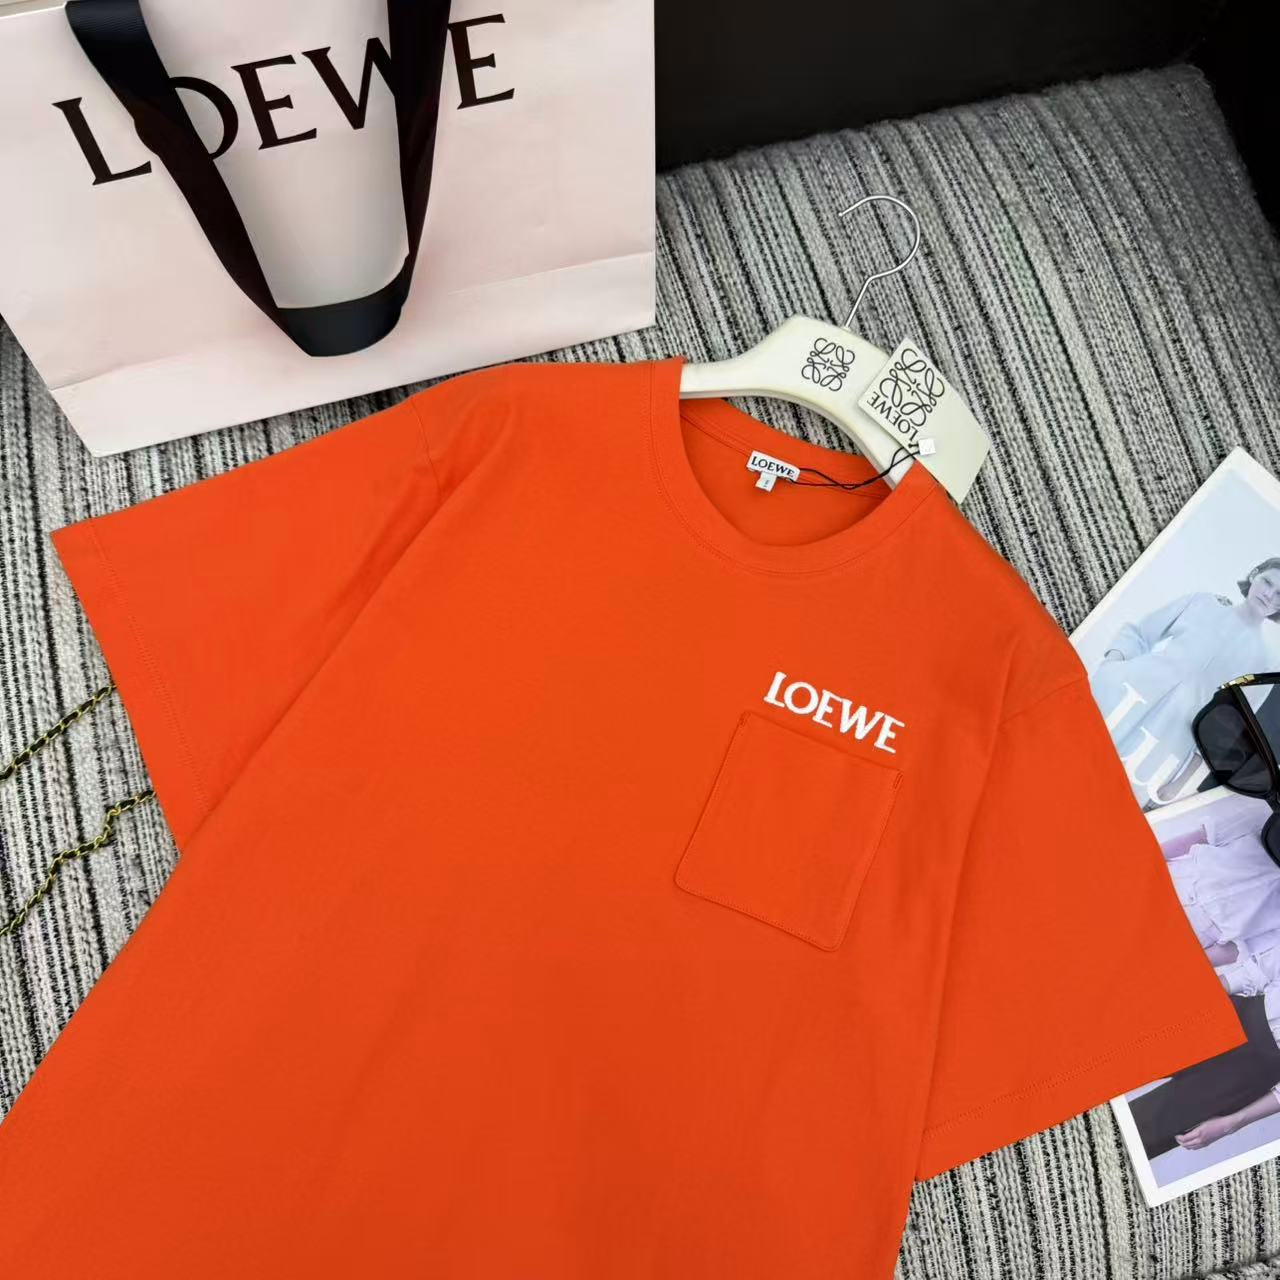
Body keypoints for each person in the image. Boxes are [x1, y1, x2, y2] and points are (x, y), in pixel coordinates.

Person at [1089, 558, 1280, 808]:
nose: (1269, 595)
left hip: (1164, 742)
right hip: (1124, 700)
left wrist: (1179, 784)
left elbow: (1226, 729)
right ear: (1254, 574)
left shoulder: (1264, 662)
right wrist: (1111, 666)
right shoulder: (1203, 603)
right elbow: (1139, 633)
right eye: (1267, 582)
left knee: (1103, 802)